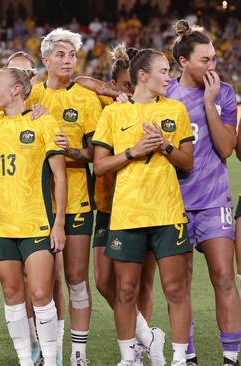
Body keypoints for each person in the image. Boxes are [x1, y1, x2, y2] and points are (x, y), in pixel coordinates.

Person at [92, 48, 195, 366]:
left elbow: (187, 163)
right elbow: (100, 166)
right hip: (127, 214)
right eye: (164, 71)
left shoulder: (176, 110)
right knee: (124, 289)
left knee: (175, 288)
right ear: (143, 76)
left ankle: (178, 359)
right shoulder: (113, 113)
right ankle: (129, 358)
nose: (169, 76)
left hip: (167, 212)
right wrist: (132, 152)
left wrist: (165, 144)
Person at [77, 45, 164, 365]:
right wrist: (109, 92)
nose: (131, 90)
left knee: (142, 282)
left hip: (144, 203)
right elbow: (78, 79)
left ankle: (137, 351)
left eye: (132, 84)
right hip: (106, 203)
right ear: (115, 84)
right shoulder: (108, 104)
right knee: (103, 280)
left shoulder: (155, 107)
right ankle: (147, 334)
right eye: (125, 85)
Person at [29, 28, 104, 366]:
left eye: (72, 55)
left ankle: (79, 353)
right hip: (36, 202)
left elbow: (95, 154)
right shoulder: (30, 96)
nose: (68, 61)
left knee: (76, 278)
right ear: (45, 59)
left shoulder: (86, 100)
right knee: (44, 281)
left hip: (76, 199)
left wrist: (69, 149)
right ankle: (49, 351)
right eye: (60, 55)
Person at [169, 20, 241, 366]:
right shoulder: (165, 94)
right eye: (204, 61)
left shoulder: (224, 93)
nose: (212, 67)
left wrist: (210, 103)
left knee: (224, 277)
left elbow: (226, 148)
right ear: (183, 62)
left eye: (213, 59)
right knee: (178, 284)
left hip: (214, 201)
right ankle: (189, 355)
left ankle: (230, 357)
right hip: (174, 204)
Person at [0, 66, 67, 366]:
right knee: (11, 293)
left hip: (37, 222)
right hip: (2, 224)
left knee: (42, 291)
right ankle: (25, 359)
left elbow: (60, 175)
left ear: (16, 90)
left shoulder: (44, 121)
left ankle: (50, 357)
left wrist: (59, 223)